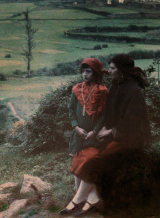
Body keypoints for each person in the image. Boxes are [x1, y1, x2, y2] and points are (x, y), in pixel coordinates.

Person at [60, 54, 151, 216]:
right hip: (113, 134)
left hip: (129, 139)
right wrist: (101, 130)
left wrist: (109, 131)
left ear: (122, 70)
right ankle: (93, 198)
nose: (110, 71)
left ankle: (78, 199)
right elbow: (108, 114)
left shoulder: (134, 91)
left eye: (113, 68)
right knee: (86, 151)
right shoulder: (117, 85)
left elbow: (132, 121)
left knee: (95, 159)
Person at [60, 58, 109, 215]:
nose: (85, 74)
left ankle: (80, 199)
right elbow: (71, 110)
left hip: (94, 135)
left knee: (89, 161)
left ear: (95, 73)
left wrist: (95, 131)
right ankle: (88, 198)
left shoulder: (102, 91)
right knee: (78, 161)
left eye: (88, 71)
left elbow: (103, 115)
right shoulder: (77, 89)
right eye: (83, 71)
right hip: (79, 133)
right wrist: (76, 127)